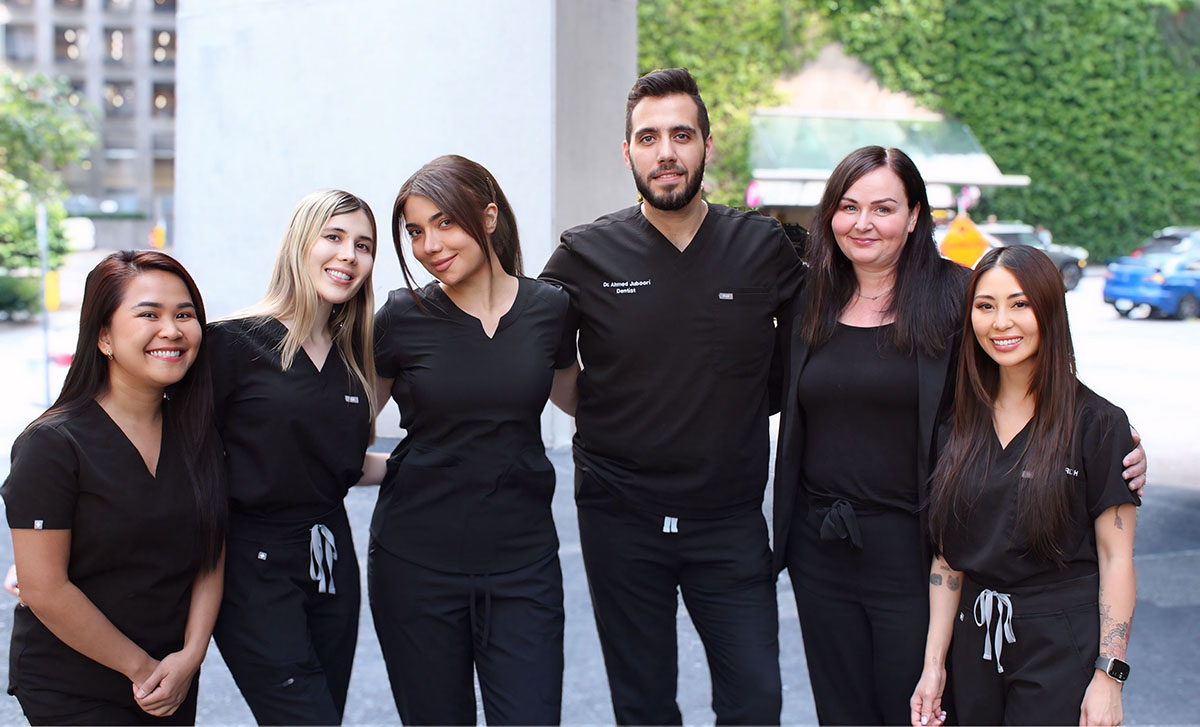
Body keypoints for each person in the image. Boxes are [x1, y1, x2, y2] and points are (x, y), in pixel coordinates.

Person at [771, 146, 1146, 725]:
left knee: (917, 706)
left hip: (916, 543)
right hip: (819, 545)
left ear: (914, 216)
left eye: (883, 207)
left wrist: (1114, 437)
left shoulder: (956, 295)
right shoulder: (808, 297)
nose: (863, 222)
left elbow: (1026, 355)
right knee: (840, 710)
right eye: (847, 207)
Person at [541, 68, 802, 725]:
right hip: (620, 519)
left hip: (730, 522)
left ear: (707, 146)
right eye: (648, 137)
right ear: (627, 152)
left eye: (682, 135)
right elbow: (540, 358)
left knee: (756, 702)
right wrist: (613, 412)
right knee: (644, 706)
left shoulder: (761, 246)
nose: (666, 152)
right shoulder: (584, 253)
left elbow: (812, 352)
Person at [369, 155, 576, 725]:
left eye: (444, 222)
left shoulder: (550, 308)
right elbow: (346, 424)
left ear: (488, 217)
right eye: (415, 231)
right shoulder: (401, 316)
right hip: (414, 566)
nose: (429, 245)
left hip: (524, 567)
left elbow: (581, 400)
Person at [910, 245, 1138, 726]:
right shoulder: (956, 424)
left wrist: (1109, 676)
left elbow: (1116, 558)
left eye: (1020, 304)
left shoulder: (1098, 424)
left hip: (1060, 643)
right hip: (975, 638)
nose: (1001, 323)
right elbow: (947, 560)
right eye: (985, 306)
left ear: (1050, 310)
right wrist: (934, 667)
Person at [2, 250, 226, 725]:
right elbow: (43, 588)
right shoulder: (52, 444)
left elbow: (211, 550)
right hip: (74, 685)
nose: (171, 330)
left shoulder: (197, 434)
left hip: (171, 676)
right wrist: (143, 670)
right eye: (149, 314)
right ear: (103, 336)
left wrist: (191, 656)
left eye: (184, 315)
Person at [207, 190, 381, 725]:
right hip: (253, 569)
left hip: (332, 563)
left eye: (364, 245)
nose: (349, 255)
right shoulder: (231, 343)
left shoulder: (352, 358)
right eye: (334, 236)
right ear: (300, 243)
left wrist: (441, 466)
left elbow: (341, 464)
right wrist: (59, 548)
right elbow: (160, 451)